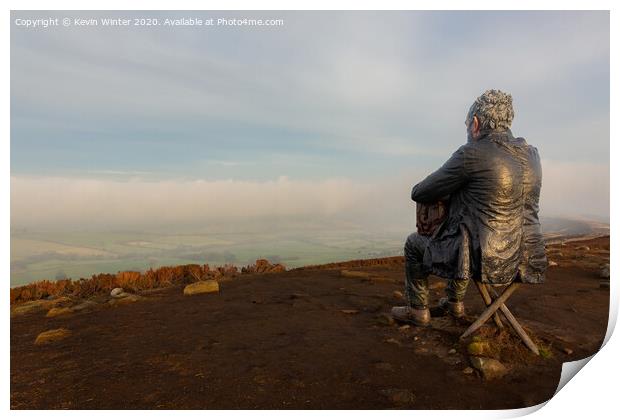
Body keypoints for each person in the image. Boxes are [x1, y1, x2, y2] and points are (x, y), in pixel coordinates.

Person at [391, 89, 548, 326]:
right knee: (466, 234)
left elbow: (420, 192)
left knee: (416, 244)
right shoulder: (532, 154)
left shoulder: (472, 154)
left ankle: (418, 311)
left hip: (485, 259)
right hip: (529, 257)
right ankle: (454, 303)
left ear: (475, 123)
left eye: (466, 125)